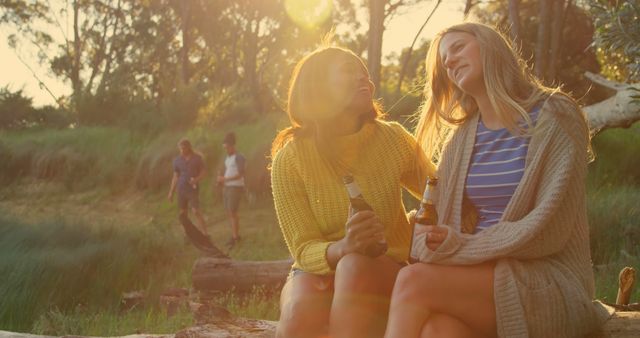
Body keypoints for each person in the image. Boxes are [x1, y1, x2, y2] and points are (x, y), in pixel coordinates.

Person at [384, 22, 611, 338]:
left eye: (458, 48)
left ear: (490, 45)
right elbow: (433, 226)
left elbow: (549, 231)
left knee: (412, 282)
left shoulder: (556, 114)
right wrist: (436, 238)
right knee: (439, 330)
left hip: (546, 281)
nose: (449, 61)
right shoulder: (462, 137)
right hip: (475, 277)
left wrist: (462, 245)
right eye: (444, 60)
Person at [270, 45, 433, 338]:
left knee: (354, 266)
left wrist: (423, 222)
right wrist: (344, 247)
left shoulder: (392, 138)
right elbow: (304, 248)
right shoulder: (291, 158)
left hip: (383, 267)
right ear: (317, 86)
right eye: (349, 71)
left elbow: (441, 190)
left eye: (365, 74)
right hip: (319, 266)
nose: (365, 80)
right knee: (297, 316)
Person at [168, 138, 207, 235]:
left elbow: (204, 172)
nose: (181, 151)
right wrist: (171, 192)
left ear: (188, 147)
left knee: (196, 211)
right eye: (180, 149)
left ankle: (205, 233)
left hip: (192, 189)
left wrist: (196, 179)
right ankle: (187, 235)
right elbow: (175, 176)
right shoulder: (177, 160)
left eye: (183, 148)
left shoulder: (197, 158)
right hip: (181, 189)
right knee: (183, 214)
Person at [217, 132, 246, 248]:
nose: (226, 149)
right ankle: (234, 235)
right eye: (225, 147)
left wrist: (225, 178)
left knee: (233, 212)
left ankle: (235, 237)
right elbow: (228, 171)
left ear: (232, 146)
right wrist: (221, 179)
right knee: (229, 212)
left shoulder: (239, 157)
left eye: (227, 147)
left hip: (235, 186)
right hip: (227, 186)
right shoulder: (228, 158)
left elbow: (241, 174)